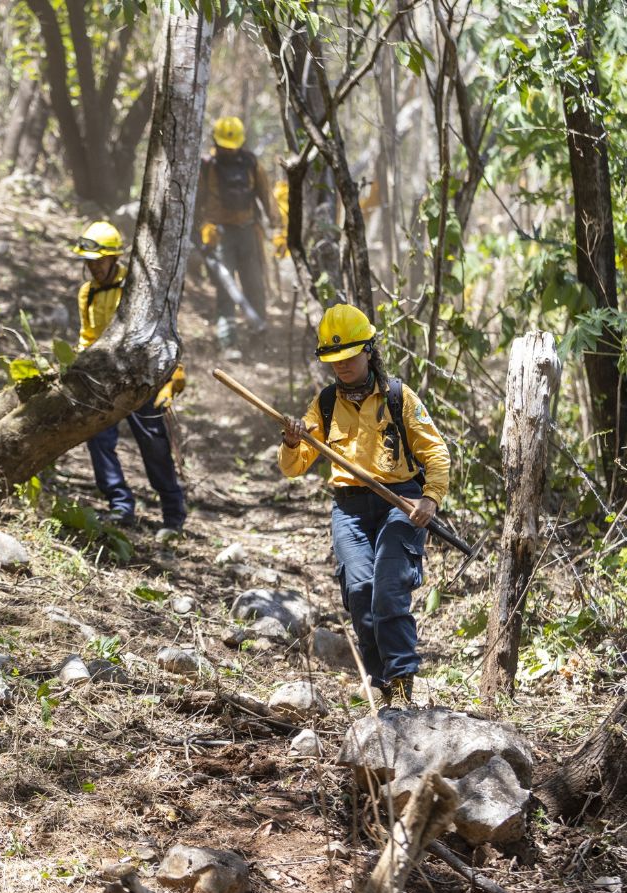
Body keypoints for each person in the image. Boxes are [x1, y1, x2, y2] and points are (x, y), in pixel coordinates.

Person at [278, 304, 450, 708]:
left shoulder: (397, 397)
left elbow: (436, 452)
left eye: (349, 356)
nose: (341, 366)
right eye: (333, 359)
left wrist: (430, 498)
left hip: (400, 503)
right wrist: (291, 441)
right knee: (360, 590)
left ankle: (403, 678)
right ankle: (378, 680)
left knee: (389, 589)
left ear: (369, 351)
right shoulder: (323, 405)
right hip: (349, 509)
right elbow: (293, 467)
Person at [72, 221, 187, 541]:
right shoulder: (87, 294)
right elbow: (88, 337)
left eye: (98, 261)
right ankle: (120, 503)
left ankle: (173, 511)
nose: (93, 268)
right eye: (89, 263)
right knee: (98, 439)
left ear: (113, 259)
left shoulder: (135, 289)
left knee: (153, 443)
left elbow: (163, 332)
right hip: (103, 381)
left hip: (140, 380)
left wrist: (172, 377)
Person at [194, 115, 276, 351]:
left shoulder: (251, 164)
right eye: (224, 147)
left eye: (233, 147)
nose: (229, 152)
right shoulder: (207, 166)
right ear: (216, 143)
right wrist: (203, 228)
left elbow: (267, 196)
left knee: (254, 285)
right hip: (220, 234)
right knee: (226, 288)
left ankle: (258, 336)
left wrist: (278, 227)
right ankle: (228, 341)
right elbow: (197, 200)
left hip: (248, 231)